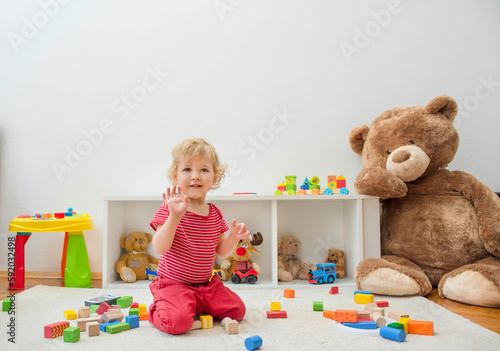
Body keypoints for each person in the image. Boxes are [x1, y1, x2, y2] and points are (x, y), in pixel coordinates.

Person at [148, 138, 251, 335]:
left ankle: (194, 304)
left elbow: (221, 251)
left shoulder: (215, 213)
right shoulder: (170, 208)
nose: (195, 176)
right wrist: (175, 217)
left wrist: (234, 237)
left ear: (214, 178)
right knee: (175, 324)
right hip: (173, 283)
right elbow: (159, 248)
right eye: (187, 169)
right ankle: (160, 305)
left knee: (238, 310)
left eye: (204, 170)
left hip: (206, 285)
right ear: (175, 176)